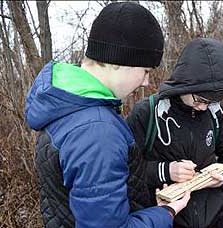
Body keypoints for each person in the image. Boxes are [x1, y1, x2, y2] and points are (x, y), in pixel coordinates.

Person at [24, 2, 190, 228]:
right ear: (117, 61)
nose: (146, 82)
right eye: (145, 71)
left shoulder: (68, 104)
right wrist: (165, 214)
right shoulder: (97, 131)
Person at [127, 38, 223, 228]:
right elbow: (125, 170)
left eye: (210, 101)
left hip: (216, 215)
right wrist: (166, 170)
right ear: (184, 85)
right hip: (167, 217)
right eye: (200, 99)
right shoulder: (147, 112)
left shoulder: (215, 109)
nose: (204, 106)